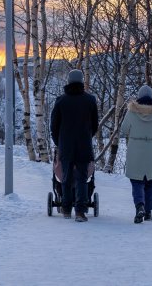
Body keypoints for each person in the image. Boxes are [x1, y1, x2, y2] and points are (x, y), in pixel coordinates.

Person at [50, 69, 98, 222]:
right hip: (84, 145)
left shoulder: (61, 101)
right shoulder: (90, 100)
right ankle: (80, 212)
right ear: (82, 81)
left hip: (66, 145)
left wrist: (59, 142)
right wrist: (87, 136)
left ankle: (66, 209)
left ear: (69, 82)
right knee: (82, 178)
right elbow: (95, 125)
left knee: (66, 177)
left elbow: (54, 126)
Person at [120, 84, 152, 224]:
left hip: (136, 148)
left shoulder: (132, 111)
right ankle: (149, 212)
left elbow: (124, 129)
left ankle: (140, 205)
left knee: (137, 180)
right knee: (150, 181)